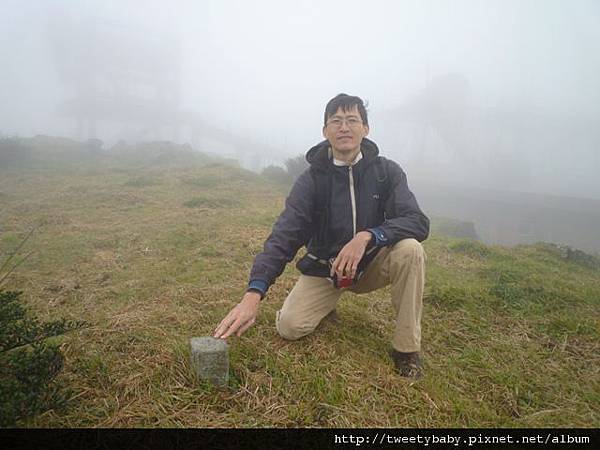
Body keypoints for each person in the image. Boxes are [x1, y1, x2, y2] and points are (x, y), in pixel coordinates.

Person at [214, 93, 430, 378]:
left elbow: (417, 221)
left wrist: (368, 236)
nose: (344, 127)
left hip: (372, 263)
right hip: (326, 270)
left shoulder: (386, 172)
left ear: (366, 129)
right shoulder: (312, 180)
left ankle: (406, 349)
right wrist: (253, 295)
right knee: (289, 327)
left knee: (411, 249)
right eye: (336, 121)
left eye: (352, 120)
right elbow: (284, 236)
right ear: (325, 131)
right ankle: (326, 306)